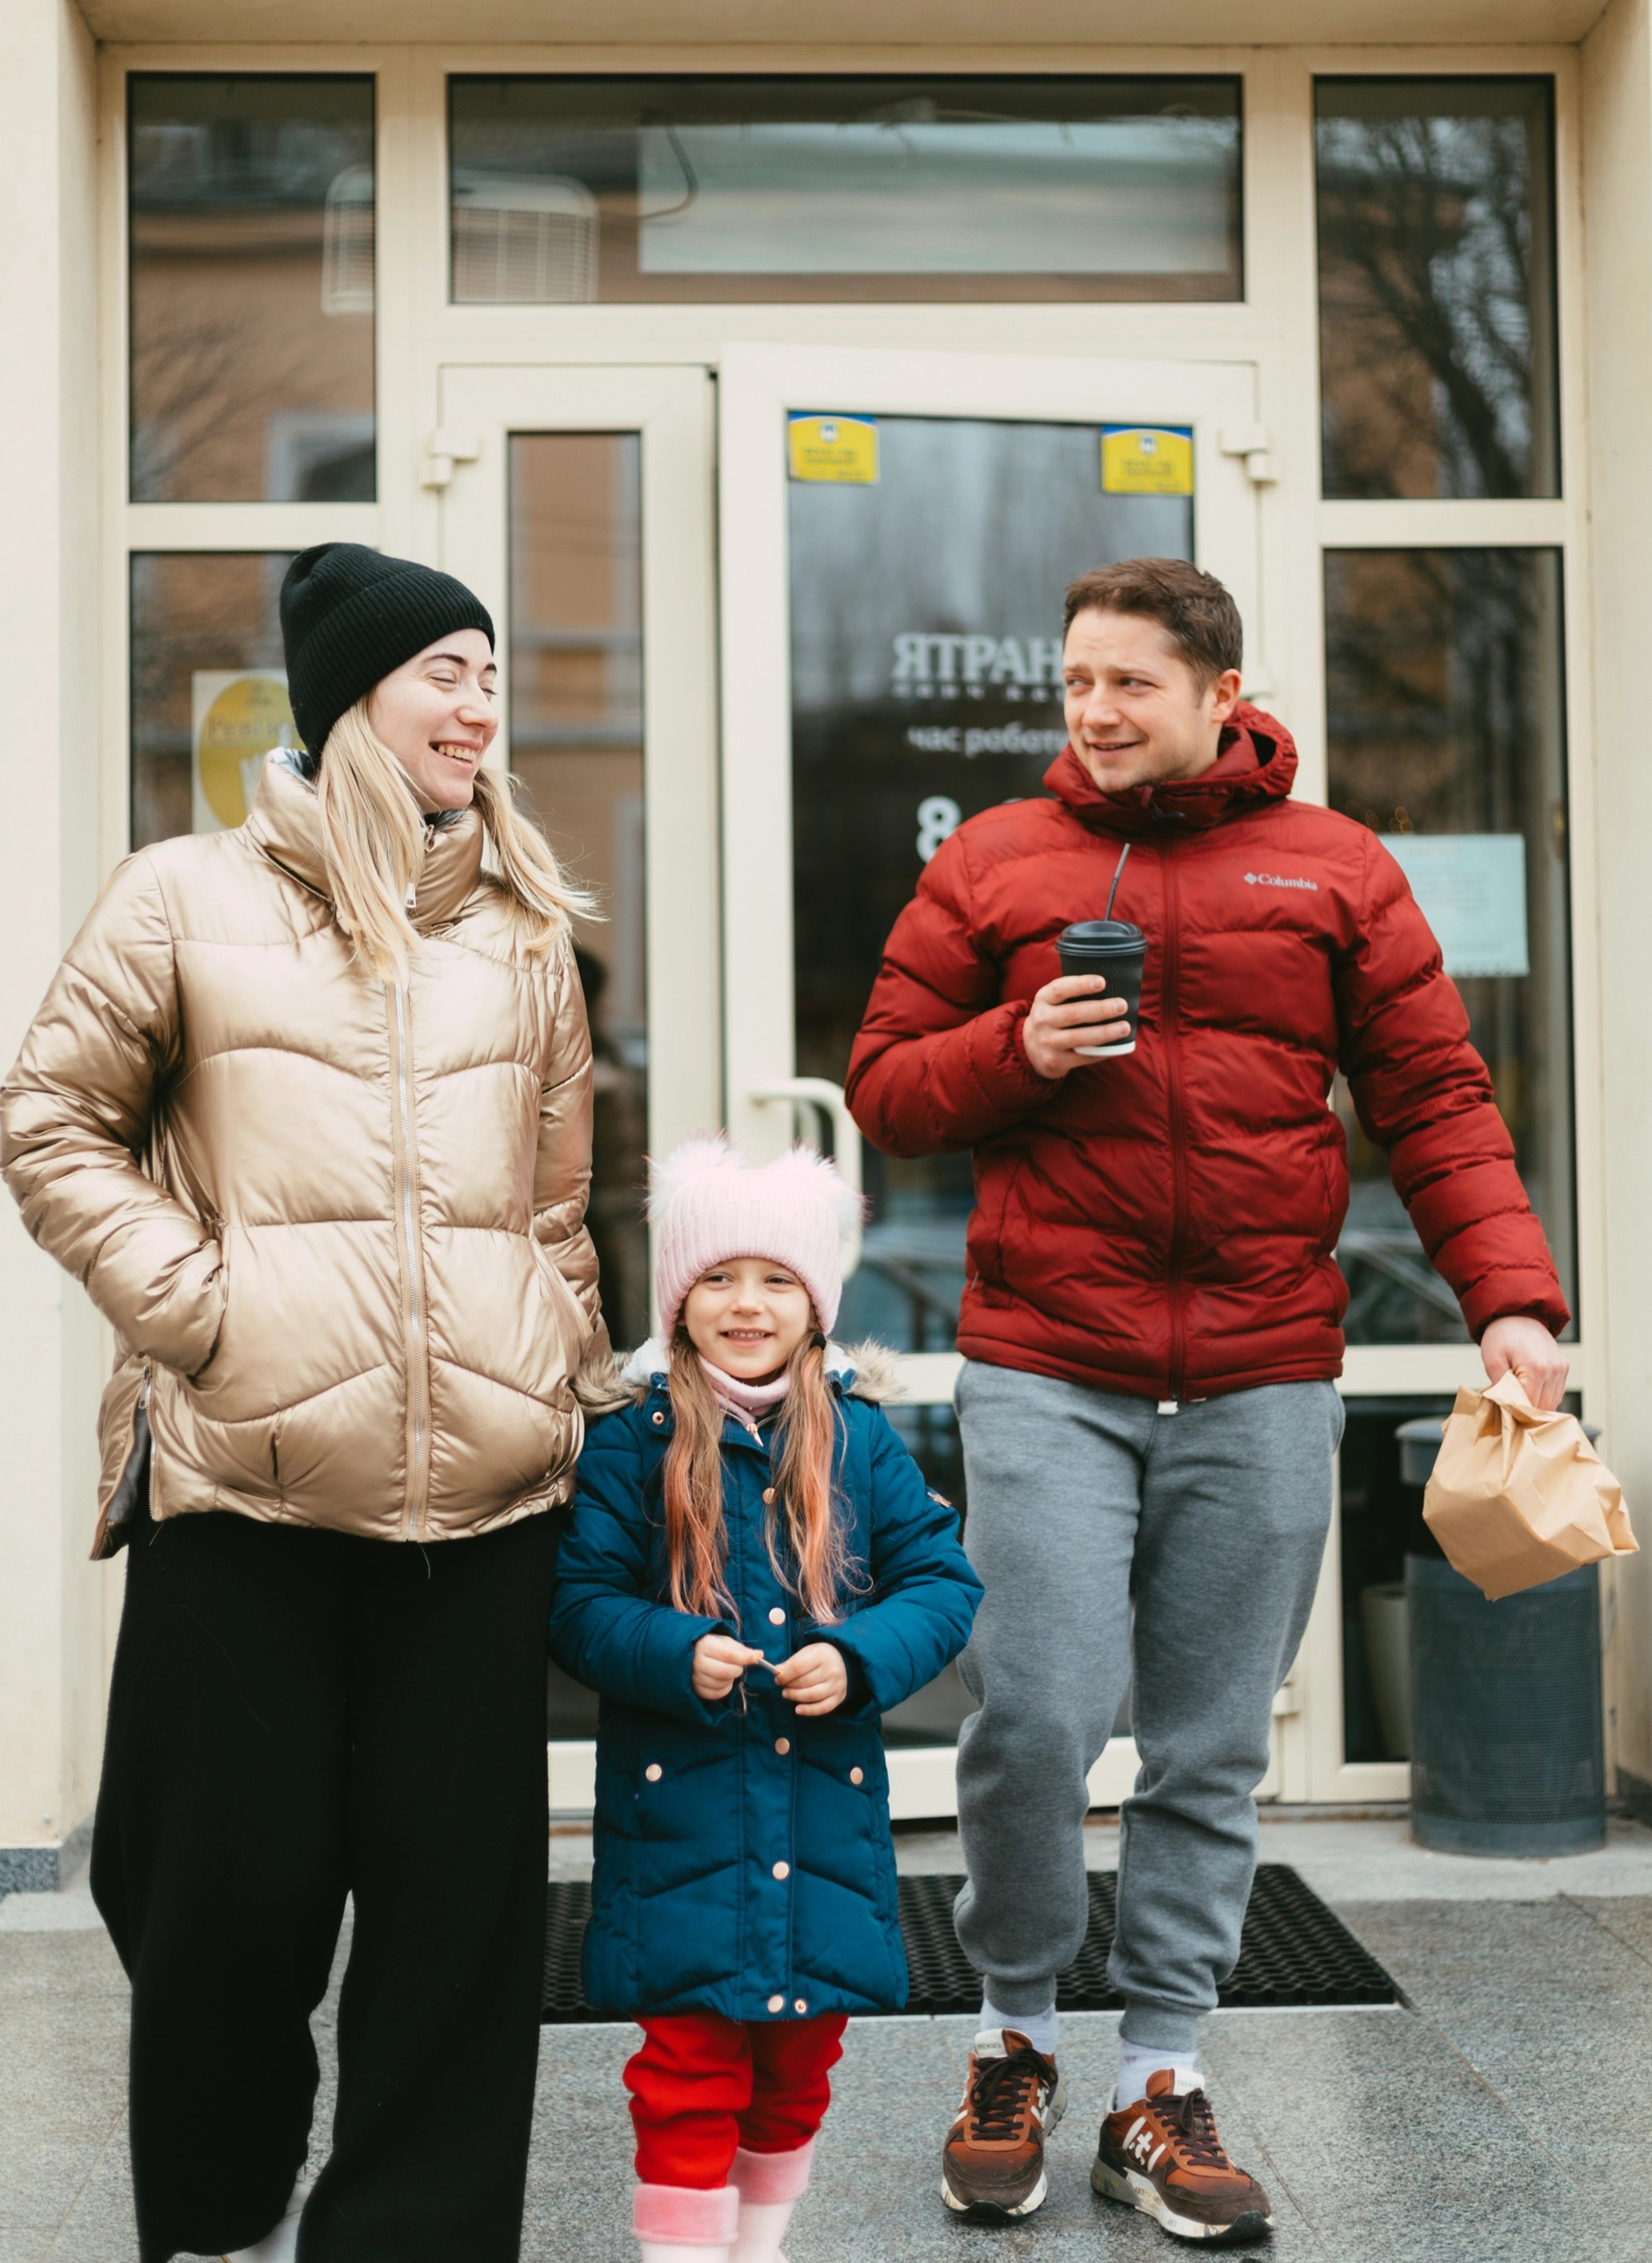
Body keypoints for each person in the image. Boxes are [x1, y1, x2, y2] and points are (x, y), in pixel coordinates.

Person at [845, 557, 1569, 2247]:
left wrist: (1513, 1303)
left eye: (1130, 686)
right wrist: (1013, 1052)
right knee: (1031, 1717)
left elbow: (1437, 1098)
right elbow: (885, 1083)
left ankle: (1157, 2077)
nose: (1095, 714)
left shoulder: (1333, 872)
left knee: (1209, 1746)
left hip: (1258, 1374)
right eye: (1077, 682)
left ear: (1220, 695)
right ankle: (1012, 2032)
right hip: (1050, 1363)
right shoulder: (997, 860)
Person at [1, 544, 605, 2263]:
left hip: (482, 1506)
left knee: (455, 1926)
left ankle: (406, 2236)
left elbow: (556, 1203)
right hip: (244, 1486)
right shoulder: (180, 895)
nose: (480, 702)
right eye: (446, 670)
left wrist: (559, 1355)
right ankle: (213, 2197)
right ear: (354, 699)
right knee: (215, 1897)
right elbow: (49, 1124)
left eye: (493, 673)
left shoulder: (523, 933)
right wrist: (204, 1313)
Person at [549, 1138, 982, 2263]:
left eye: (778, 1280)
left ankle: (760, 2243)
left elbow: (942, 1581)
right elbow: (578, 1602)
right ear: (679, 1297)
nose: (747, 1304)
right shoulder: (630, 1442)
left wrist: (862, 1655)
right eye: (719, 1279)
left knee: (800, 2062)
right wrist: (669, 1649)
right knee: (688, 2065)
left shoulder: (862, 1439)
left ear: (819, 1302)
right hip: (678, 1817)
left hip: (822, 1813)